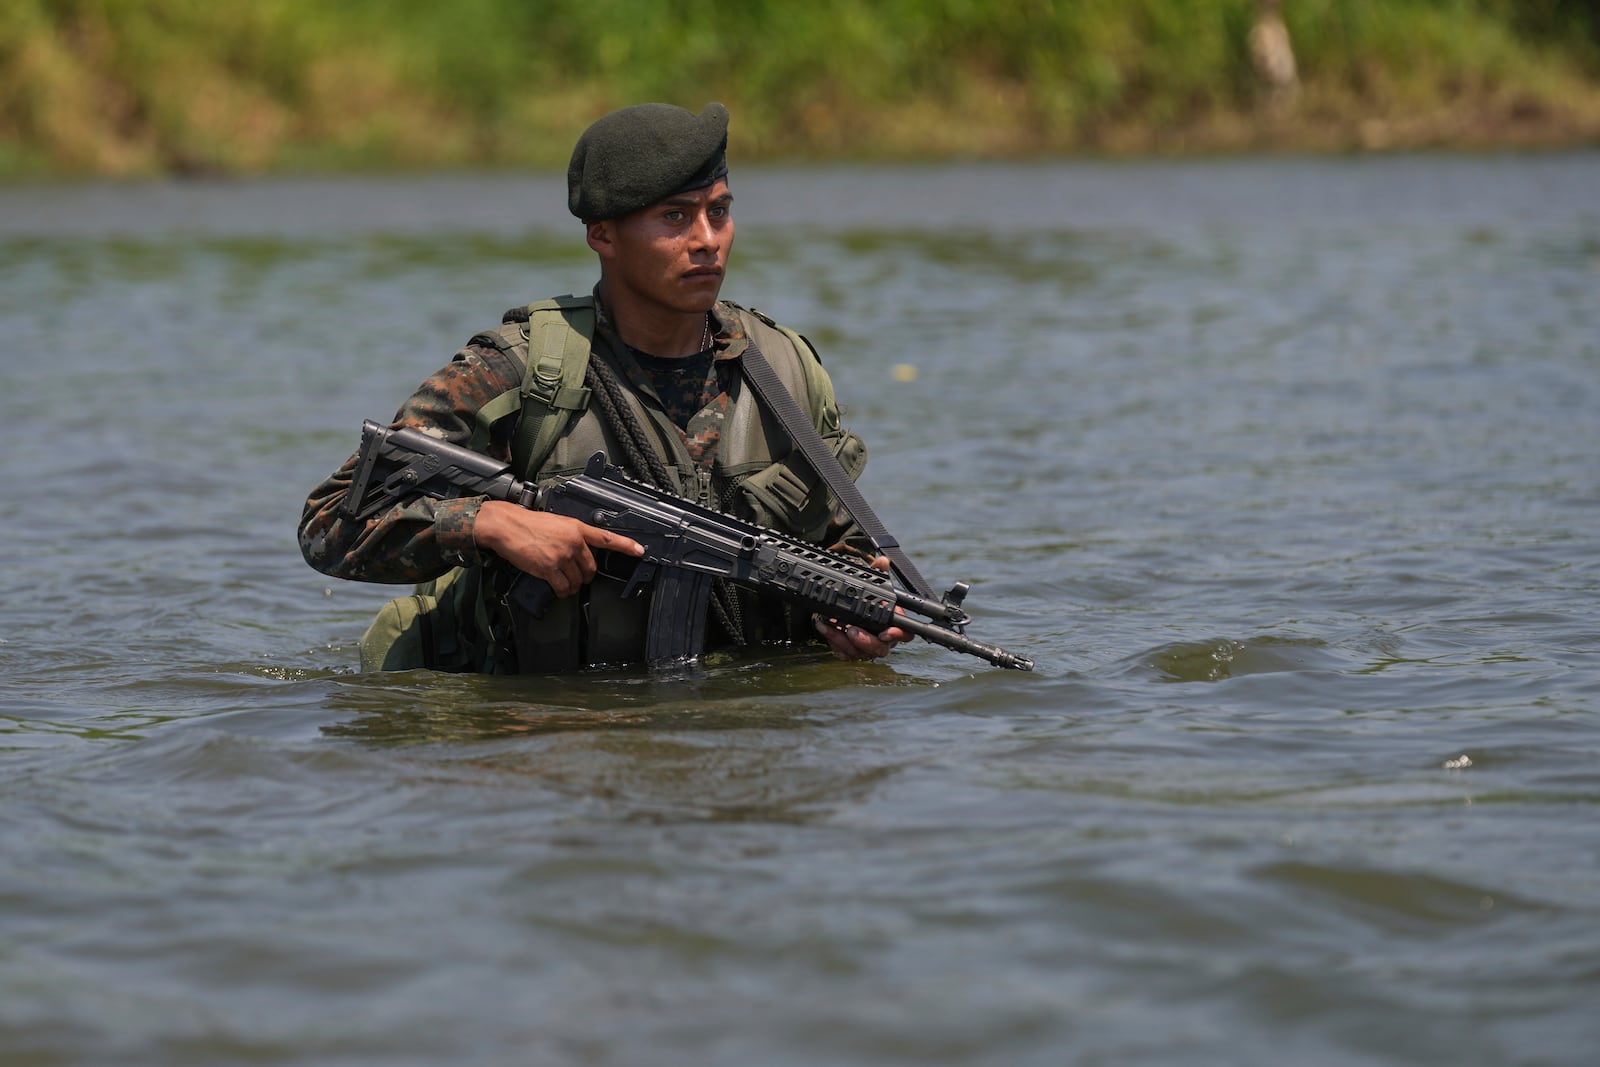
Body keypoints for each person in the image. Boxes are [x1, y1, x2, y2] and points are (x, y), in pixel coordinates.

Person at [299, 102, 909, 674]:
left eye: (719, 211)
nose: (707, 239)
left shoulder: (784, 369)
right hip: (543, 728)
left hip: (728, 718)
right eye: (675, 216)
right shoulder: (522, 369)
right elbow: (330, 523)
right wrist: (492, 525)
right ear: (603, 236)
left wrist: (857, 608)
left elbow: (840, 539)